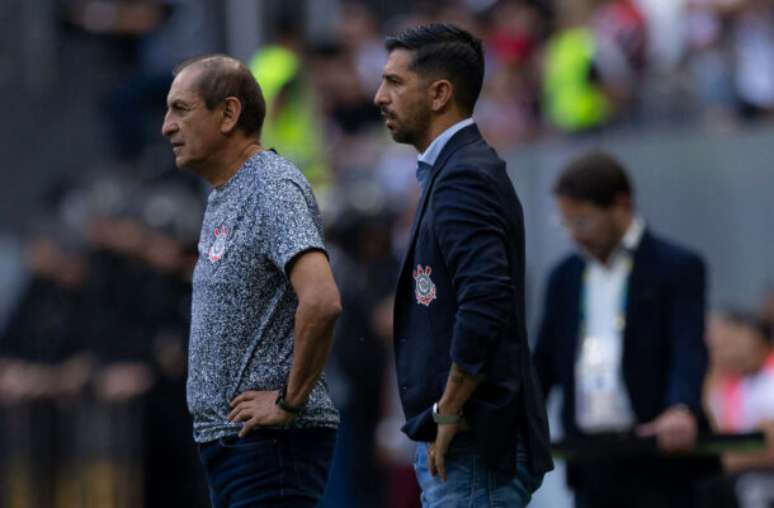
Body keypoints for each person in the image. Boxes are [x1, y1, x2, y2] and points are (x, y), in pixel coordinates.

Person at [374, 23, 553, 507]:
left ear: (439, 94)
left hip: (473, 444)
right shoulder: (453, 171)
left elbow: (485, 301)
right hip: (467, 445)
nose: (379, 97)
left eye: (394, 82)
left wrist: (449, 411)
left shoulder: (464, 178)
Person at [161, 55, 342, 508]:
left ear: (228, 114)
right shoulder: (227, 193)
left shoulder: (271, 188)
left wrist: (289, 402)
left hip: (269, 447)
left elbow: (321, 300)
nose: (167, 126)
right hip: (234, 445)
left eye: (181, 109)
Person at [533, 151, 717, 508]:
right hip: (591, 458)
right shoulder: (564, 277)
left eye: (583, 222)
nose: (574, 235)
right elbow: (543, 363)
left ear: (621, 205)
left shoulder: (676, 267)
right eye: (566, 224)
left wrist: (681, 407)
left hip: (660, 455)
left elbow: (688, 346)